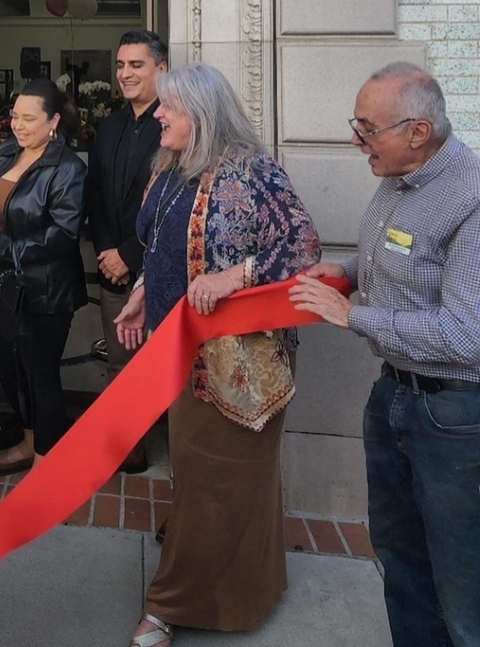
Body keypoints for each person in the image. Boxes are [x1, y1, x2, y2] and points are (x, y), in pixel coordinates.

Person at [114, 63, 320, 646]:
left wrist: (235, 275)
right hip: (178, 352)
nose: (158, 114)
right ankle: (235, 580)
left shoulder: (253, 172)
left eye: (169, 108)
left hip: (236, 367)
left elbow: (304, 248)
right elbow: (158, 247)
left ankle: (168, 606)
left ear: (201, 114)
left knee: (221, 484)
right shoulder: (172, 168)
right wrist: (139, 295)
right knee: (203, 479)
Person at [290, 63, 480, 647]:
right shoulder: (397, 173)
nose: (357, 140)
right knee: (400, 557)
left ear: (418, 131)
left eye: (368, 128)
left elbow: (467, 335)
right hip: (394, 394)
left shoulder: (471, 198)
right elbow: (402, 261)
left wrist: (353, 316)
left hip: (452, 418)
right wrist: (345, 273)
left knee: (461, 577)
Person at [0, 77, 87, 472]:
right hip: (2, 282)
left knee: (39, 372)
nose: (17, 124)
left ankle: (47, 464)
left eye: (28, 118)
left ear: (53, 121)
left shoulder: (68, 169)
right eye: (14, 115)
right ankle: (31, 439)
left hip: (44, 289)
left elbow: (63, 236)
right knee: (3, 361)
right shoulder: (6, 153)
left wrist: (1, 246)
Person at [87, 29, 167, 472]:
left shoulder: (175, 124)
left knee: (161, 366)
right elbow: (94, 195)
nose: (125, 74)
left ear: (162, 69)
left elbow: (171, 206)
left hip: (156, 269)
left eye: (136, 64)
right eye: (120, 65)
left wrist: (129, 257)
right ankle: (129, 444)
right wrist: (105, 250)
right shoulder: (109, 125)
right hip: (111, 266)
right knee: (121, 360)